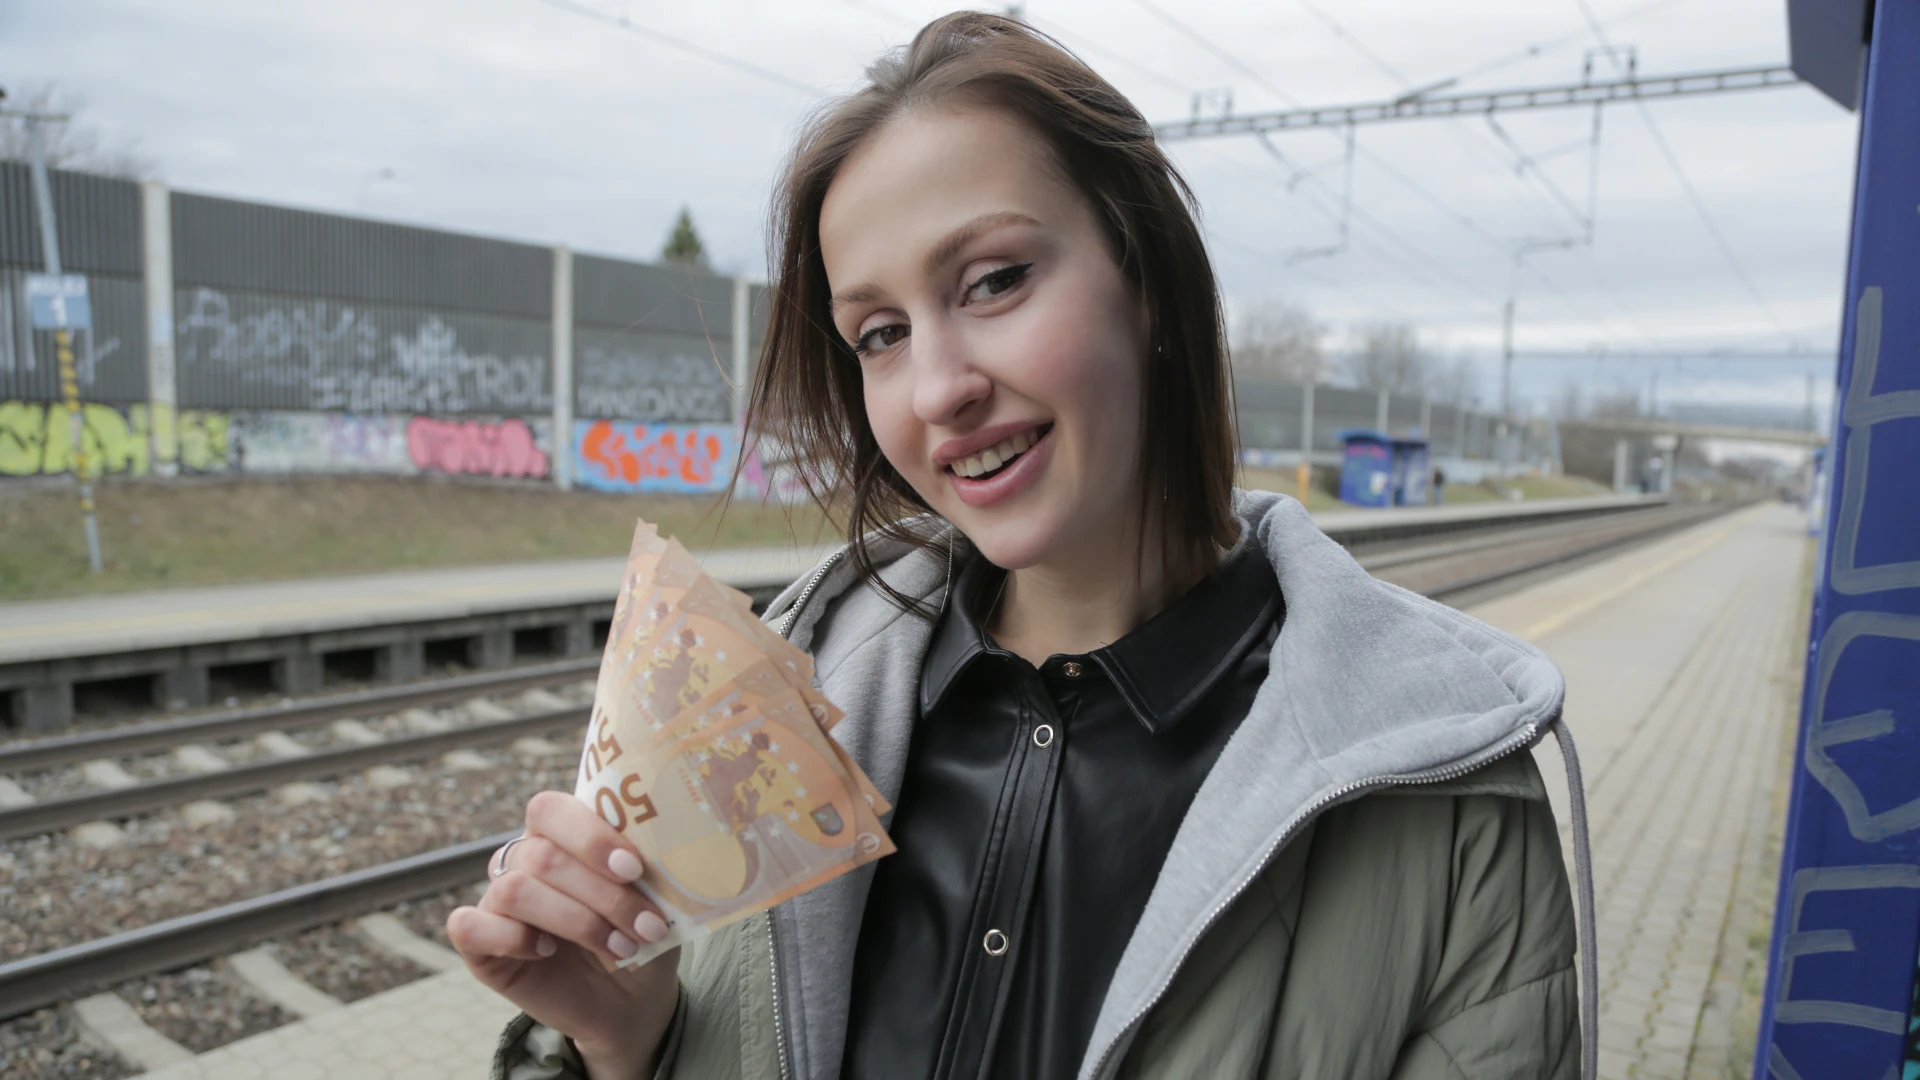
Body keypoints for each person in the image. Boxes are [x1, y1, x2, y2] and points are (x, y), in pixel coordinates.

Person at [455, 13, 1596, 1080]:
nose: (941, 388)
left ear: (1145, 280)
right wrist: (633, 1040)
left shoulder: (1449, 805)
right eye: (882, 334)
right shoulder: (772, 722)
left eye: (995, 280)